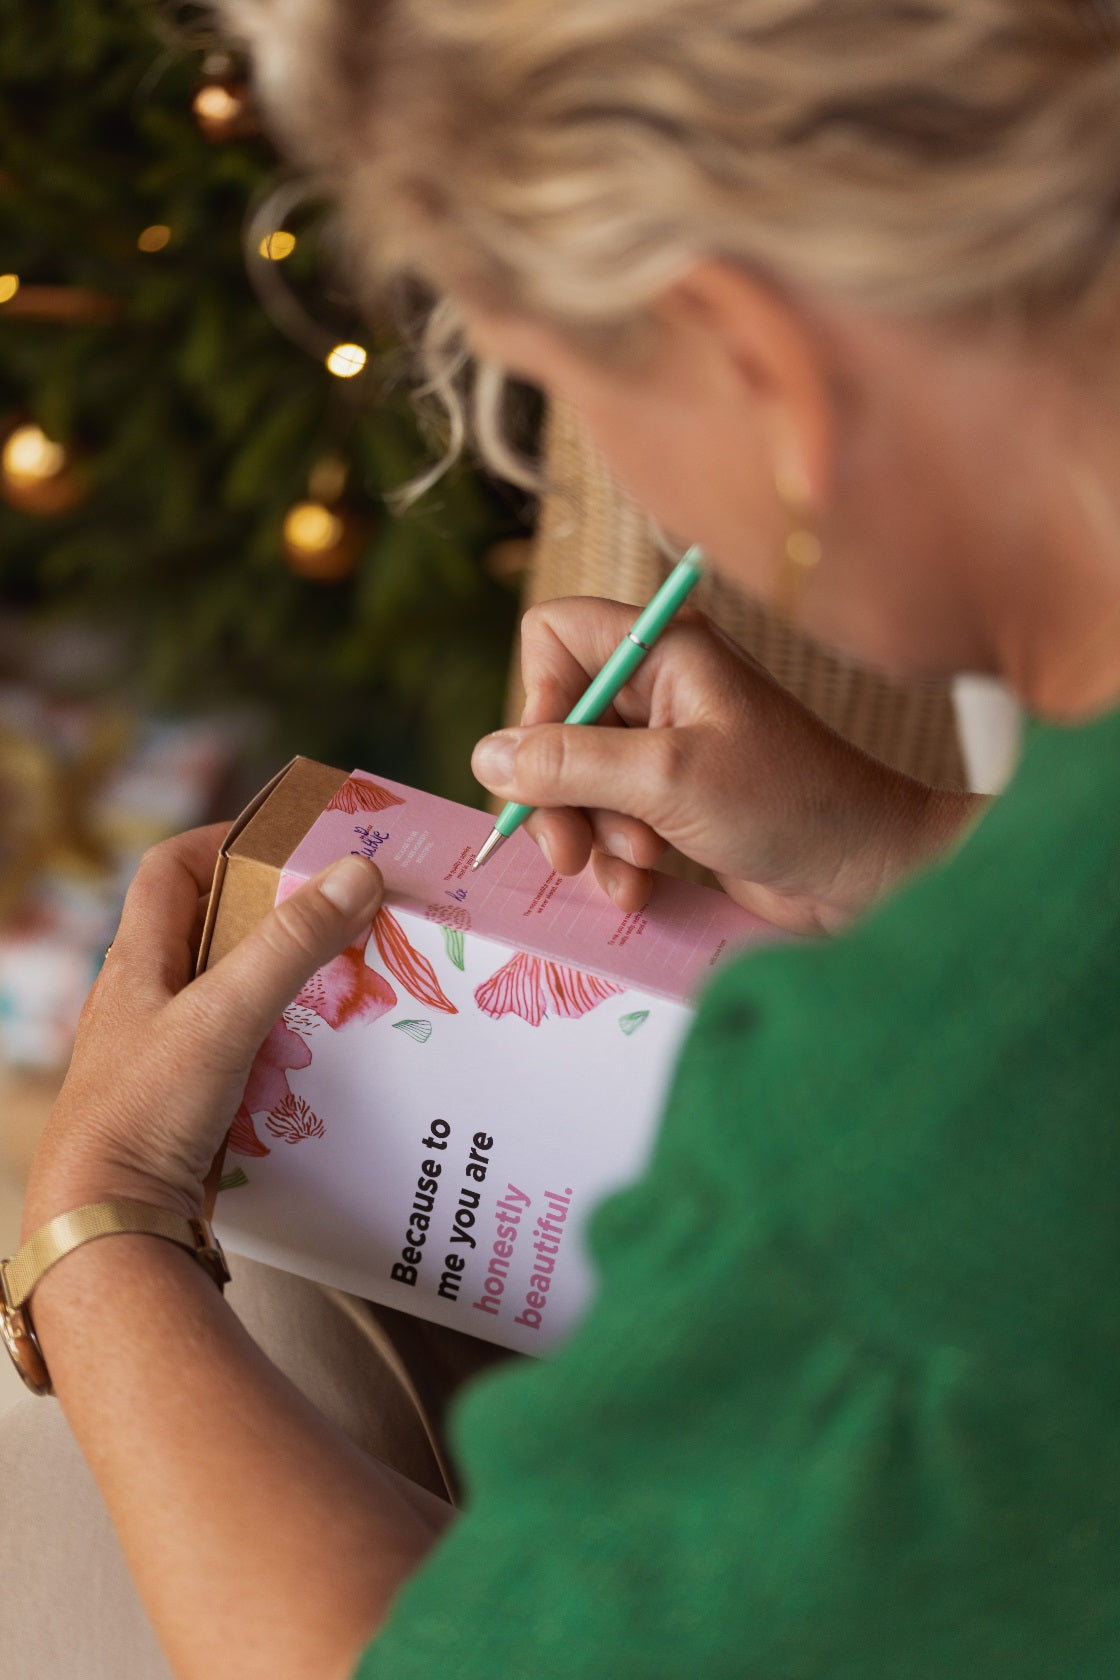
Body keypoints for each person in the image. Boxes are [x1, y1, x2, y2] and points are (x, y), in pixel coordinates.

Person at [5, 0, 1120, 1674]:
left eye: (563, 396)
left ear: (758, 361)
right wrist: (909, 846)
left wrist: (96, 1226)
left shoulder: (891, 1166)